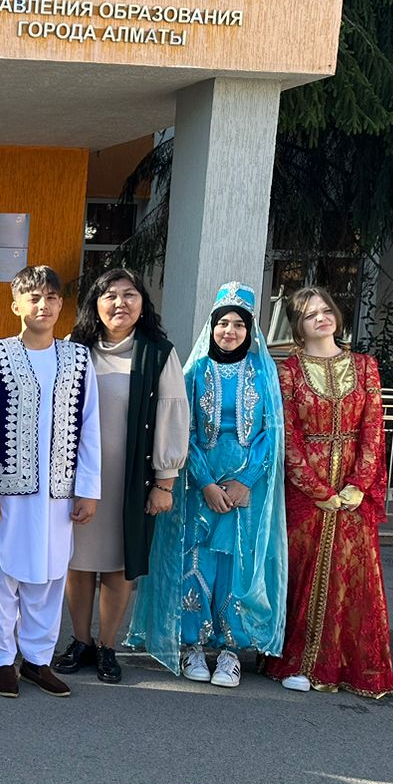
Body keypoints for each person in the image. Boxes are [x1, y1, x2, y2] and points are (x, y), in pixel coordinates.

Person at [124, 281, 287, 686]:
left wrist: (245, 481)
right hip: (199, 485)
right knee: (195, 559)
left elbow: (272, 433)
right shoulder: (195, 371)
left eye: (238, 324)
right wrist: (207, 483)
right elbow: (184, 430)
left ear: (250, 330)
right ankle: (193, 644)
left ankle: (230, 650)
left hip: (246, 487)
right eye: (222, 323)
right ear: (211, 327)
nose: (229, 331)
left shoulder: (263, 373)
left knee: (237, 562)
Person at [57, 269, 189, 684]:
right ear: (95, 304)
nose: (120, 303)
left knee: (119, 563)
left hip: (131, 479)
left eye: (129, 294)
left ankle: (107, 645)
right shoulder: (74, 349)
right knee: (78, 562)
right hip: (77, 479)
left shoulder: (158, 353)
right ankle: (80, 640)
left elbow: (172, 415)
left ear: (143, 303)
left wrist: (164, 482)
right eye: (110, 295)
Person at [0, 265, 101, 698]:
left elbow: (89, 426)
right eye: (33, 298)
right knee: (1, 577)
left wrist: (88, 489)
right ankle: (0, 660)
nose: (42, 305)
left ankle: (37, 659)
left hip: (59, 493)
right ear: (16, 306)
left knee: (49, 578)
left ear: (61, 304)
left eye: (50, 297)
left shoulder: (78, 358)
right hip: (8, 492)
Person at [265, 286, 393, 697]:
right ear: (298, 325)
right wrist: (315, 487)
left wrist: (359, 484)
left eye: (325, 310)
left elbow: (373, 429)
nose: (321, 318)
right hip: (307, 489)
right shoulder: (287, 371)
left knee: (351, 576)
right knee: (304, 573)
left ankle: (347, 667)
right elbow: (287, 434)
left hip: (354, 488)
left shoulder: (365, 366)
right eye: (309, 314)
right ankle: (301, 662)